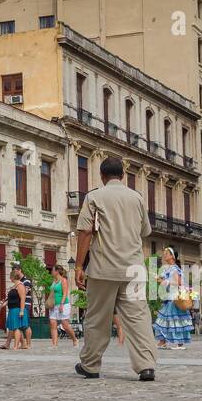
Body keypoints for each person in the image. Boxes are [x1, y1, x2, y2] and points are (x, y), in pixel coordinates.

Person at [73, 155, 157, 381]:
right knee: (138, 317)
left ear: (102, 176)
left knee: (97, 318)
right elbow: (144, 232)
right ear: (123, 175)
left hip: (103, 268)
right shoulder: (137, 198)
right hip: (134, 268)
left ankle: (90, 364)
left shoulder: (94, 197)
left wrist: (79, 265)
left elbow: (85, 231)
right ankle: (146, 365)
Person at [153, 247, 192, 349]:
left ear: (172, 256)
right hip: (169, 298)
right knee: (164, 320)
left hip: (175, 299)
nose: (164, 255)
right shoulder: (169, 268)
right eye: (164, 253)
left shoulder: (175, 269)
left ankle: (179, 343)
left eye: (166, 253)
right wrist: (159, 279)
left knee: (174, 320)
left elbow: (178, 282)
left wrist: (164, 282)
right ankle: (163, 342)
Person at [47, 264, 77, 348]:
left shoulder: (63, 280)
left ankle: (74, 339)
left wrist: (61, 304)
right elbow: (52, 293)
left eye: (52, 270)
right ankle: (54, 344)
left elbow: (65, 293)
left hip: (63, 304)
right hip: (53, 306)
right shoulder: (53, 281)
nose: (51, 272)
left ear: (57, 271)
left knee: (65, 325)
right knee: (53, 324)